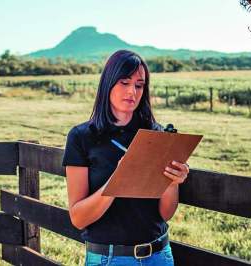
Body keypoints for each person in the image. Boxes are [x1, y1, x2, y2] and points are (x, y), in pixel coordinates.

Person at [62, 50, 189, 266]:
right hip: (108, 258)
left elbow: (164, 214)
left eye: (139, 85)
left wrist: (172, 182)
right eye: (124, 82)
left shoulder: (156, 136)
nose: (132, 91)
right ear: (108, 83)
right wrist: (119, 179)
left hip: (159, 255)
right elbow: (78, 218)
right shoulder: (81, 137)